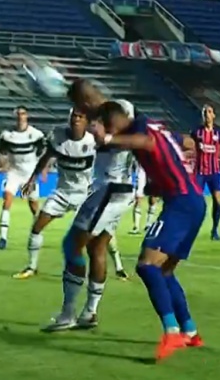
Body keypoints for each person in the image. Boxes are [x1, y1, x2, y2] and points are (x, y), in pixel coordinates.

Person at [93, 100, 206, 362]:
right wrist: (163, 180)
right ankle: (190, 331)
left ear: (117, 121)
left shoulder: (141, 130)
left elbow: (144, 142)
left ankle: (172, 332)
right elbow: (188, 142)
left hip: (181, 204)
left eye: (110, 126)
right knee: (165, 271)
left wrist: (108, 138)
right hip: (193, 201)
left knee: (146, 266)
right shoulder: (158, 127)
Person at [41, 80, 131, 333]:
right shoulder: (106, 113)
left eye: (78, 105)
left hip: (110, 189)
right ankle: (89, 312)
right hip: (113, 189)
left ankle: (68, 313)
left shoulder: (118, 109)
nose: (78, 111)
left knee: (72, 244)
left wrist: (103, 134)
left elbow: (123, 140)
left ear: (85, 100)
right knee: (97, 247)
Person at [13, 108, 96, 279]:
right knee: (37, 227)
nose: (76, 119)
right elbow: (45, 158)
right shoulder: (58, 136)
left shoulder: (94, 141)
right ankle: (31, 267)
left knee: (97, 235)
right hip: (62, 193)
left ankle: (118, 267)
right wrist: (32, 180)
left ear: (86, 122)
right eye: (74, 116)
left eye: (80, 116)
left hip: (85, 194)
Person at [0, 106, 46, 250]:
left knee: (34, 206)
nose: (20, 116)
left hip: (30, 174)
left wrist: (43, 170)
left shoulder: (36, 134)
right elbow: (2, 152)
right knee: (7, 200)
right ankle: (3, 238)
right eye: (18, 114)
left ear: (27, 116)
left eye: (22, 114)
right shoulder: (7, 135)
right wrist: (2, 164)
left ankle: (38, 233)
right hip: (14, 172)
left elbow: (44, 153)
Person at [190, 104, 220, 240]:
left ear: (213, 115)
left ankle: (215, 230)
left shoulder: (218, 134)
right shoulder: (197, 132)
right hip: (200, 172)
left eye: (209, 112)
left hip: (214, 172)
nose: (207, 114)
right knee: (195, 201)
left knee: (217, 200)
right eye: (204, 112)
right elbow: (188, 144)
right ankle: (191, 229)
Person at [130, 163, 158, 235]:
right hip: (141, 169)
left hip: (154, 168)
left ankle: (148, 224)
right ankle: (136, 226)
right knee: (138, 197)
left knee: (153, 197)